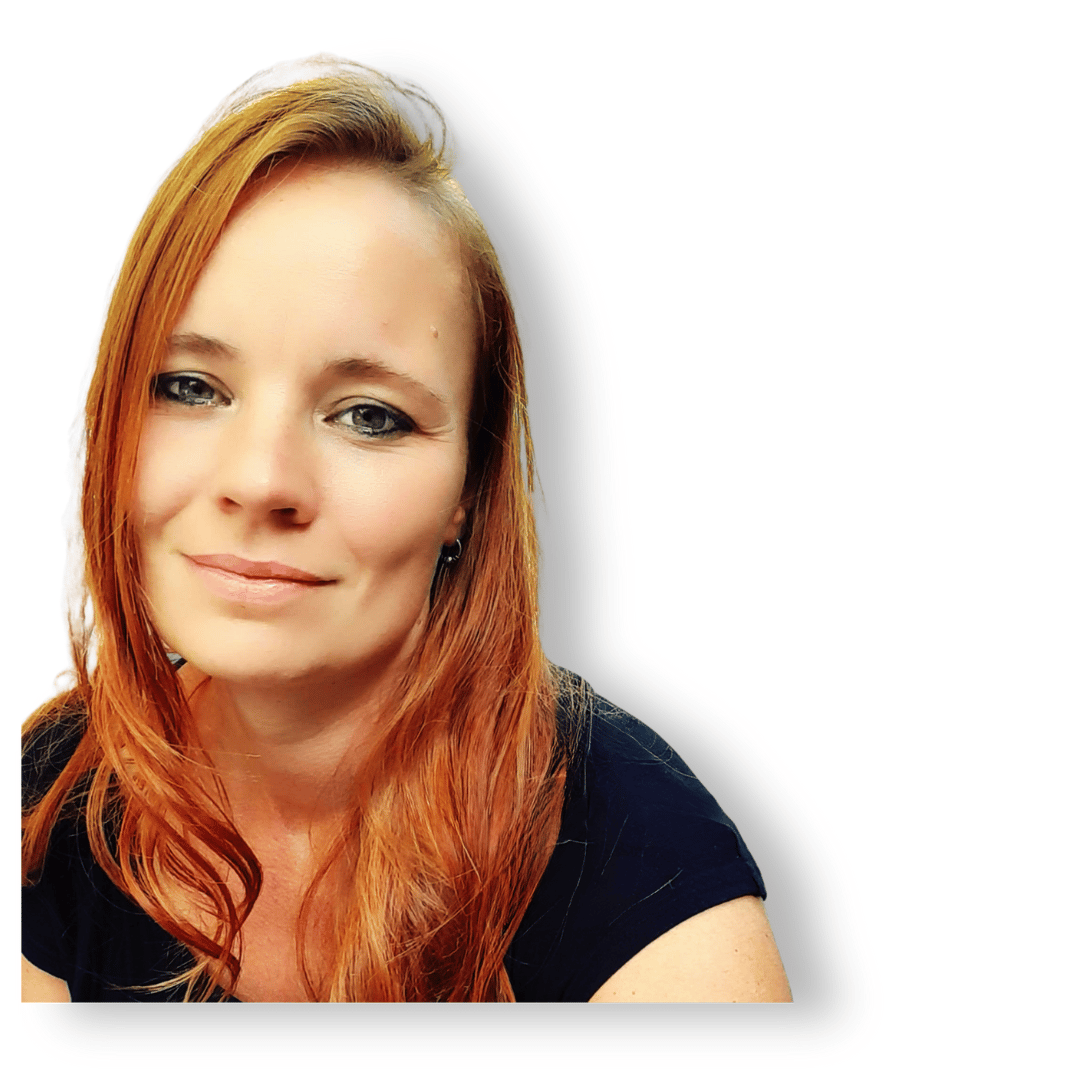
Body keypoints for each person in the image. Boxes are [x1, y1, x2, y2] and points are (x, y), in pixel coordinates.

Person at [21, 57, 791, 1003]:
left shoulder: (645, 868)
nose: (259, 481)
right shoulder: (54, 792)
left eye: (369, 415)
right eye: (191, 386)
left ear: (470, 484)